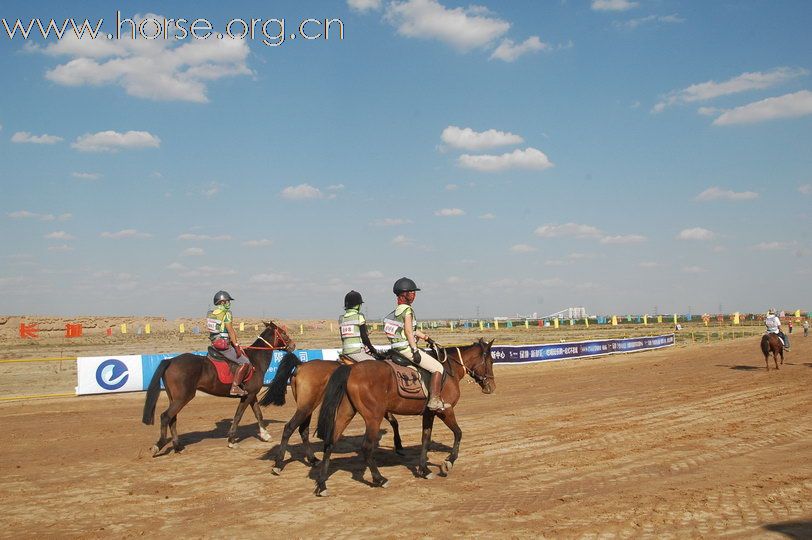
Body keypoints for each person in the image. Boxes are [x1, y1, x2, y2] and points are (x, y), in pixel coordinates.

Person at [383, 277, 447, 411]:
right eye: (412, 292)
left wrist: (426, 337)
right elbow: (408, 331)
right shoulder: (407, 310)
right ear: (404, 294)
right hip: (406, 349)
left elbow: (410, 329)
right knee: (438, 368)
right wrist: (415, 350)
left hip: (394, 349)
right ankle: (434, 400)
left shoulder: (391, 315)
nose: (414, 295)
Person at [206, 290, 250, 396]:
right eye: (227, 301)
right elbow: (230, 331)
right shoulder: (226, 314)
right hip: (224, 346)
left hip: (214, 345)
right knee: (245, 362)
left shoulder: (211, 313)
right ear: (222, 302)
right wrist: (236, 345)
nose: (229, 303)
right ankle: (235, 387)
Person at [339, 290, 379, 361]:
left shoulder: (341, 319)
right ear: (358, 305)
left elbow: (343, 338)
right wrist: (372, 349)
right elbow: (364, 338)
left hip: (345, 352)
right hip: (357, 352)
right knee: (375, 365)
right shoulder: (359, 317)